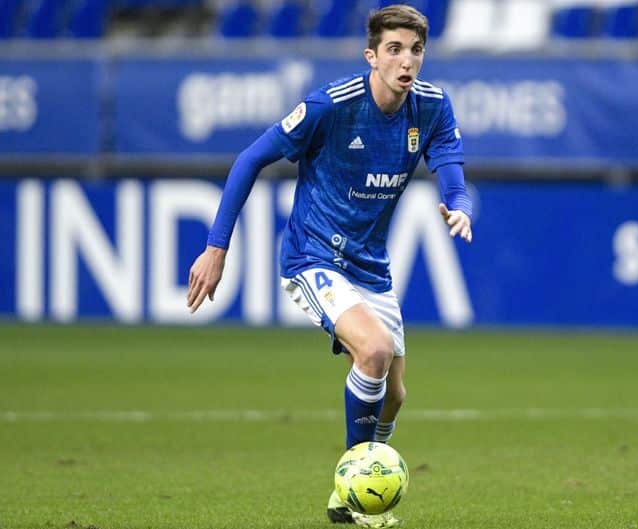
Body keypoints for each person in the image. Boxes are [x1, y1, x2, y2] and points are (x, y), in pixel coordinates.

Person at [185, 5, 472, 528]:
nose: (406, 61)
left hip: (370, 265)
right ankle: (352, 484)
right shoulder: (331, 106)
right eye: (394, 49)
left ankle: (358, 476)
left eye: (415, 50)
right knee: (376, 351)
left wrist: (459, 204)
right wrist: (216, 247)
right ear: (371, 55)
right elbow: (250, 158)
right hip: (314, 255)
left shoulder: (430, 106)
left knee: (394, 396)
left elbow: (449, 164)